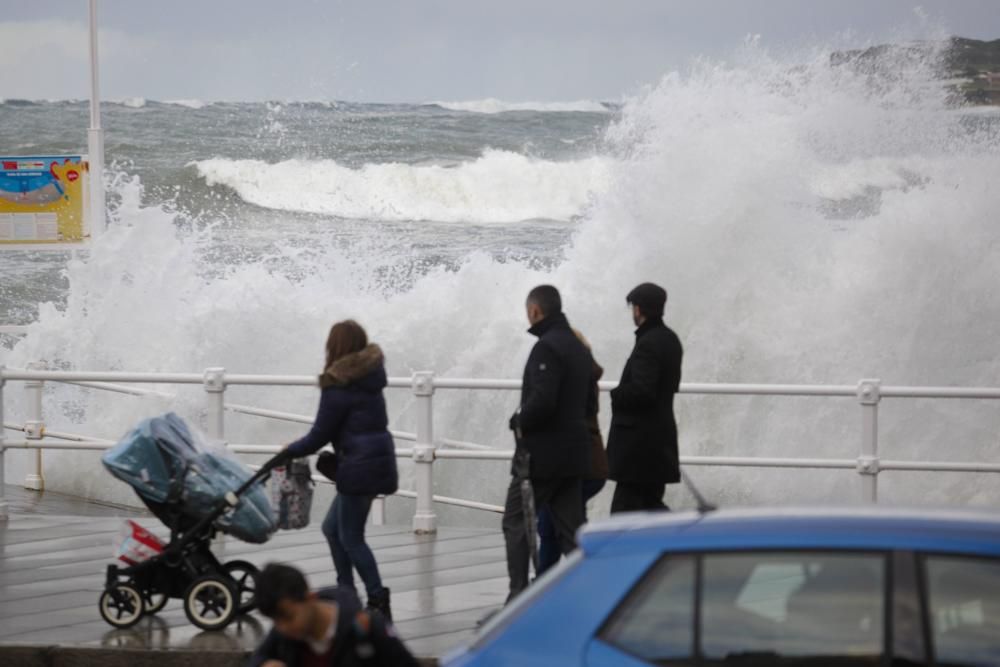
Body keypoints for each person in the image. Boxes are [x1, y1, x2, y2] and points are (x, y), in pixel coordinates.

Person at [285, 320, 398, 620]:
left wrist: (288, 450)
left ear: (335, 347)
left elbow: (319, 434)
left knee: (351, 536)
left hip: (360, 468)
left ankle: (376, 598)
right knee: (332, 529)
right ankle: (346, 592)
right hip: (374, 462)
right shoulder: (370, 379)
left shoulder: (339, 385)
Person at [503, 285, 593, 602]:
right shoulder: (579, 349)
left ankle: (518, 596)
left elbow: (543, 401)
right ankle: (590, 594)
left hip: (542, 459)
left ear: (536, 311)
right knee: (573, 532)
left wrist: (518, 419)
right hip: (574, 455)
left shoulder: (547, 347)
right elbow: (589, 405)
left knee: (515, 520)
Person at [248, 563, 419, 667]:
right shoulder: (285, 634)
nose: (283, 628)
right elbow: (258, 658)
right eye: (275, 621)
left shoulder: (367, 628)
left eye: (289, 617)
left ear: (309, 598)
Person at [607, 283, 684, 513]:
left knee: (624, 514)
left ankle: (680, 542)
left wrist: (616, 394)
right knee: (650, 506)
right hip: (658, 443)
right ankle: (676, 543)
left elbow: (642, 391)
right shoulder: (671, 339)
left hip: (638, 448)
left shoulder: (648, 343)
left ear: (638, 309)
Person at [535, 329, 607, 574]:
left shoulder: (573, 380)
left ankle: (549, 585)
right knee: (561, 526)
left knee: (552, 527)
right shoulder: (585, 376)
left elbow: (553, 415)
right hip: (591, 465)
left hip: (573, 465)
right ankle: (554, 582)